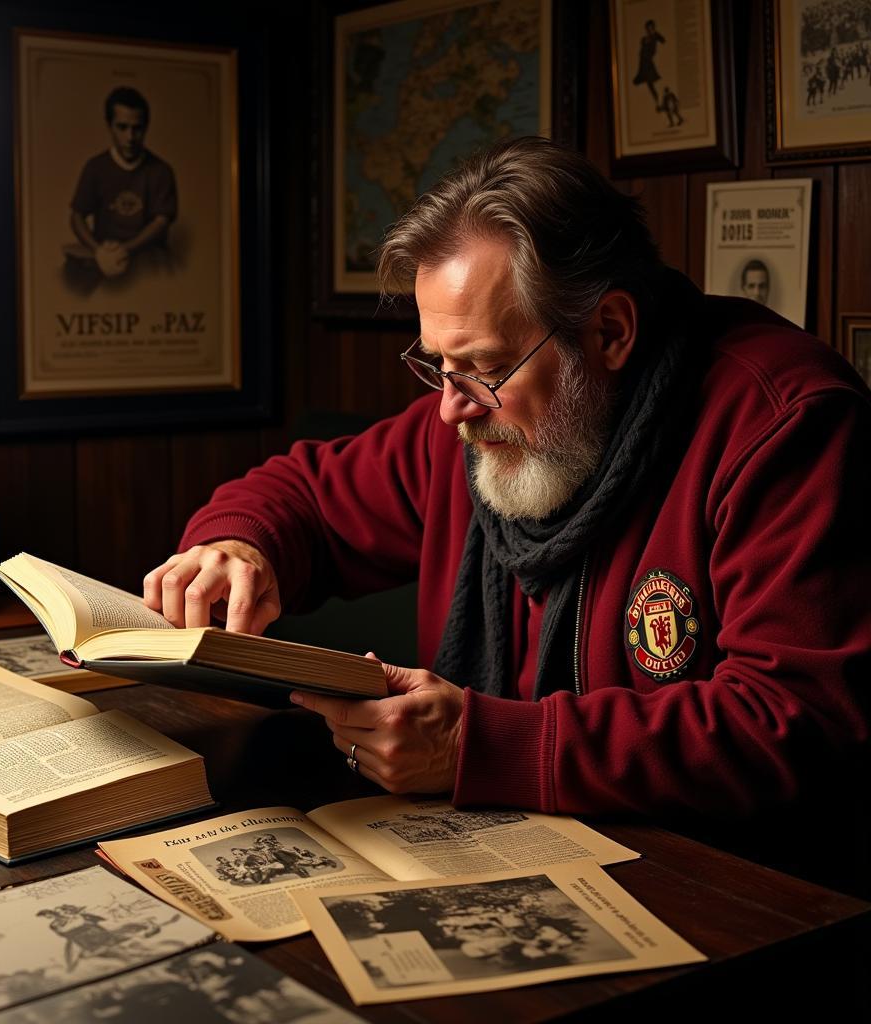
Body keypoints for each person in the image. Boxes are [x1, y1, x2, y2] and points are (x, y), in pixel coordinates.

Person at [144, 137, 871, 895]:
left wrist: (480, 746)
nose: (451, 409)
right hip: (501, 859)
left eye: (487, 370)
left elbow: (795, 720)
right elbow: (305, 494)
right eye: (437, 366)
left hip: (735, 890)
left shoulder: (785, 426)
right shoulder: (476, 424)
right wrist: (239, 545)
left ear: (612, 332)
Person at [65, 86, 178, 292]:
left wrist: (126, 249)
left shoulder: (161, 170)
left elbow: (161, 222)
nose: (130, 137)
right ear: (110, 126)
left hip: (146, 257)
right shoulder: (95, 167)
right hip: (104, 255)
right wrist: (98, 251)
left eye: (138, 128)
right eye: (122, 127)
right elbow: (77, 216)